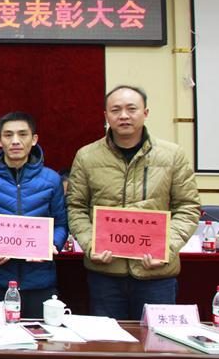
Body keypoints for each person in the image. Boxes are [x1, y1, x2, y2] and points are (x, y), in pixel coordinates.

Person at [68, 85, 200, 320]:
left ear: (145, 113)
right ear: (106, 115)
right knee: (108, 340)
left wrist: (165, 248)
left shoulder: (172, 155)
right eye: (116, 110)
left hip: (156, 274)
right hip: (105, 274)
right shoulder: (86, 156)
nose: (124, 116)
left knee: (158, 340)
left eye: (131, 109)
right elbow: (76, 207)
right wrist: (90, 244)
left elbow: (188, 207)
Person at [0, 112, 68, 318]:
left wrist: (53, 244)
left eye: (22, 134)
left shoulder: (51, 179)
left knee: (40, 337)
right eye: (8, 135)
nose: (15, 141)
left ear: (34, 139)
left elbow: (61, 224)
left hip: (40, 281)